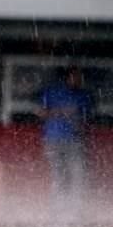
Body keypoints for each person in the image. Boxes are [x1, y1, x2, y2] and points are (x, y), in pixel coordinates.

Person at [40, 66, 93, 209]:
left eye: (80, 77)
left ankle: (76, 207)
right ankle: (58, 207)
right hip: (53, 139)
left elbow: (87, 118)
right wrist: (63, 112)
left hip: (75, 140)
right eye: (75, 76)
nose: (78, 80)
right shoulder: (52, 92)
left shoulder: (83, 95)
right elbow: (41, 113)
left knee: (78, 173)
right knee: (59, 174)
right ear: (67, 77)